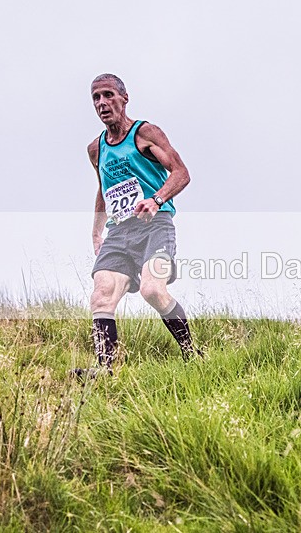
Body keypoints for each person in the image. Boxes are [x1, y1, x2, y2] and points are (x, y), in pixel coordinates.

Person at [74, 74, 199, 377]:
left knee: (152, 289)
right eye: (96, 98)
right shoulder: (96, 149)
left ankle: (192, 354)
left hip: (155, 224)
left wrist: (156, 200)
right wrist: (96, 231)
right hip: (119, 232)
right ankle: (106, 369)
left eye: (108, 95)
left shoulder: (145, 133)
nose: (102, 103)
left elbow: (181, 173)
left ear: (124, 98)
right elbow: (104, 190)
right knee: (101, 293)